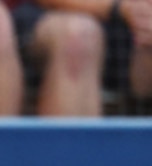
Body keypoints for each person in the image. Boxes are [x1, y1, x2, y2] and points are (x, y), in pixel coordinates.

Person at [13, 0, 152, 115]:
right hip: (51, 16)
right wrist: (117, 7)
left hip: (127, 27)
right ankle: (70, 147)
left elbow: (141, 87)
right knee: (78, 37)